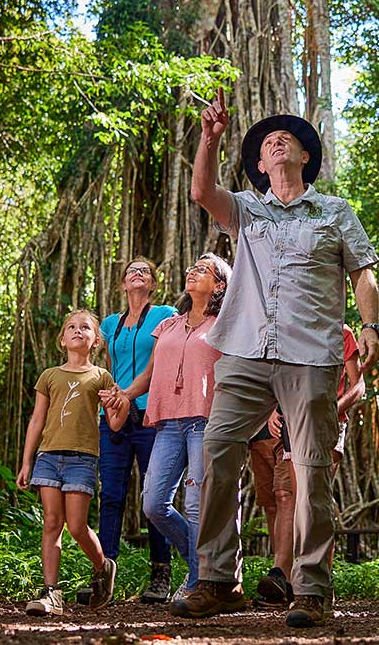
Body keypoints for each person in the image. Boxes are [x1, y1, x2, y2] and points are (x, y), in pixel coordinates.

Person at [173, 90, 379, 629]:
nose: (276, 140)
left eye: (286, 138)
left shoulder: (335, 212)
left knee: (311, 471)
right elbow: (201, 190)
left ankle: (310, 588)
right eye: (267, 143)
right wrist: (211, 137)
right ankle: (218, 580)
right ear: (260, 165)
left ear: (305, 157)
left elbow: (362, 272)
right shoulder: (246, 209)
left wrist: (370, 325)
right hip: (244, 349)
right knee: (219, 451)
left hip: (310, 354)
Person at [105, 253, 231, 599]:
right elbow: (149, 375)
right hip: (169, 423)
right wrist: (125, 396)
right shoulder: (169, 324)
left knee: (195, 503)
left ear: (219, 285)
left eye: (203, 270)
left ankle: (198, 584)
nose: (193, 272)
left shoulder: (225, 324)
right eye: (193, 268)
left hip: (206, 421)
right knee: (154, 503)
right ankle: (207, 569)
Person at [17, 310, 130, 616]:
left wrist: (117, 404)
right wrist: (27, 461)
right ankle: (52, 593)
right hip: (49, 456)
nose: (77, 331)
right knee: (52, 523)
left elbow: (116, 424)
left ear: (95, 341)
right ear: (62, 339)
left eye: (85, 328)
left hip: (82, 458)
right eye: (71, 327)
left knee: (77, 526)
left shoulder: (101, 376)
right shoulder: (49, 376)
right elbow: (37, 419)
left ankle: (103, 566)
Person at [253, 323, 365, 607]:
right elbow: (277, 379)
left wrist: (332, 409)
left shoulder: (342, 333)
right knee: (289, 496)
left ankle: (320, 585)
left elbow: (358, 386)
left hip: (328, 422)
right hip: (291, 422)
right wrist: (272, 412)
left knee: (315, 498)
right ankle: (287, 582)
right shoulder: (291, 326)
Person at [96, 257, 178, 603]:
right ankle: (103, 572)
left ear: (153, 283)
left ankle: (161, 573)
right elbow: (103, 364)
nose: (137, 273)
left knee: (153, 497)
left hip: (149, 415)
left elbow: (161, 363)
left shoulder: (164, 315)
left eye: (144, 270)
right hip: (115, 415)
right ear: (122, 284)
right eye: (131, 271)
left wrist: (127, 396)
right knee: (111, 494)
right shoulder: (110, 324)